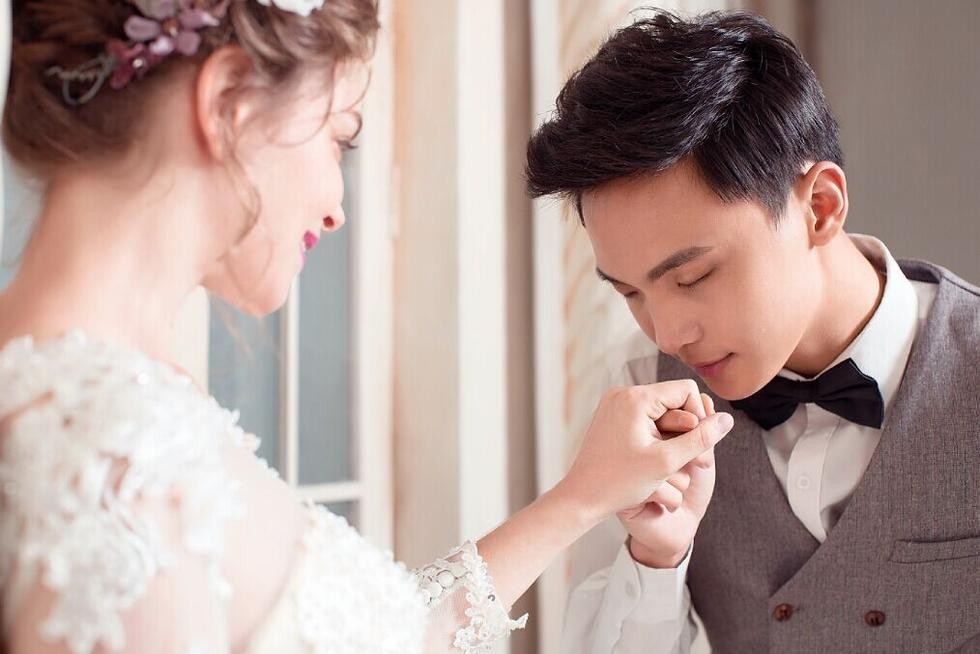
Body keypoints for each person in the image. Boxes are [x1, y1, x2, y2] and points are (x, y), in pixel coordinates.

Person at [0, 1, 737, 652]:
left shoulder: (108, 411)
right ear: (227, 101)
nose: (336, 207)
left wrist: (579, 499)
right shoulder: (120, 464)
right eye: (340, 138)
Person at [525, 10, 980, 654]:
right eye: (630, 292)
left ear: (819, 206)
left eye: (693, 276)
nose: (668, 334)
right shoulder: (643, 387)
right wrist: (657, 560)